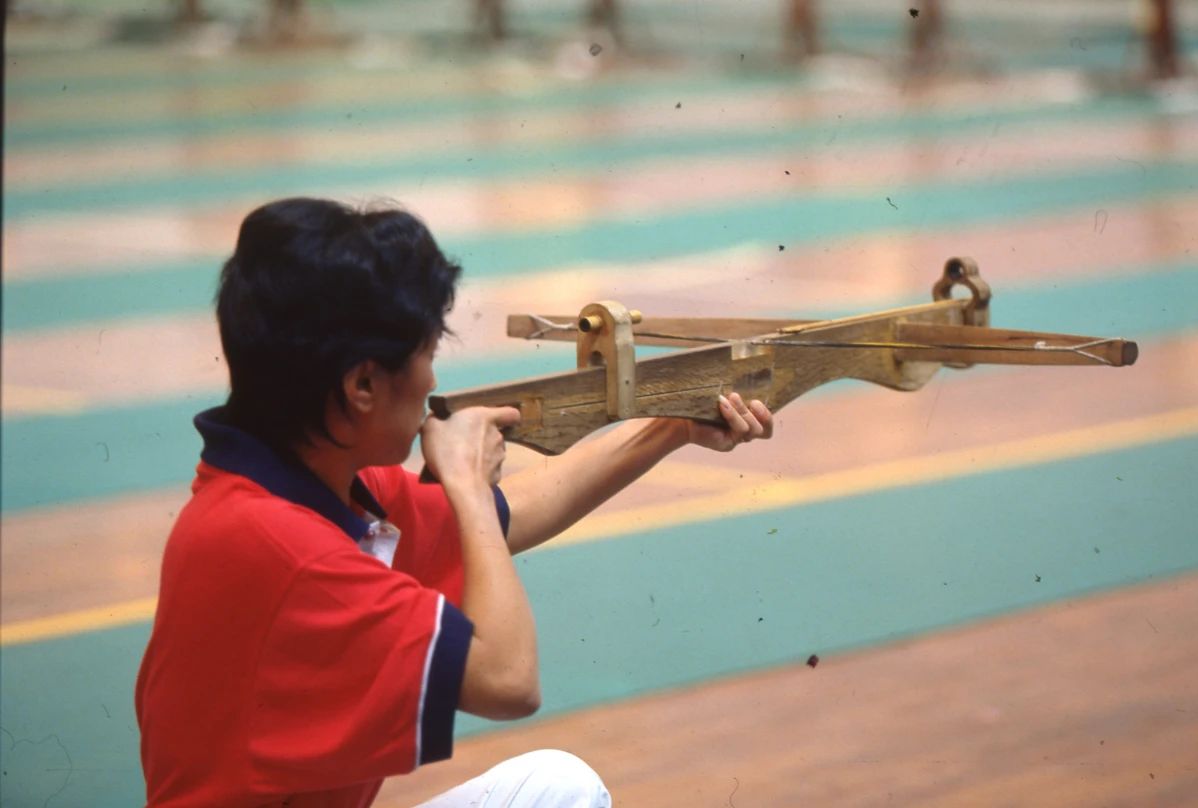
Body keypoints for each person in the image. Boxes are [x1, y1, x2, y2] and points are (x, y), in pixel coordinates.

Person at [135, 197, 773, 807]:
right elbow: (509, 682)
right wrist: (467, 488)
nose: (434, 380)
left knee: (556, 787)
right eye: (427, 355)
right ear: (362, 383)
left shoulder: (300, 486)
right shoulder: (286, 552)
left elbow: (512, 512)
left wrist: (674, 426)